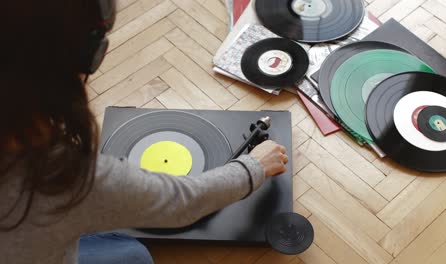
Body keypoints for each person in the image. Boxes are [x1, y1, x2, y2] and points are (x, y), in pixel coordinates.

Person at [0, 0, 289, 263]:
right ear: (89, 53)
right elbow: (184, 202)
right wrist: (254, 166)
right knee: (136, 256)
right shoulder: (65, 178)